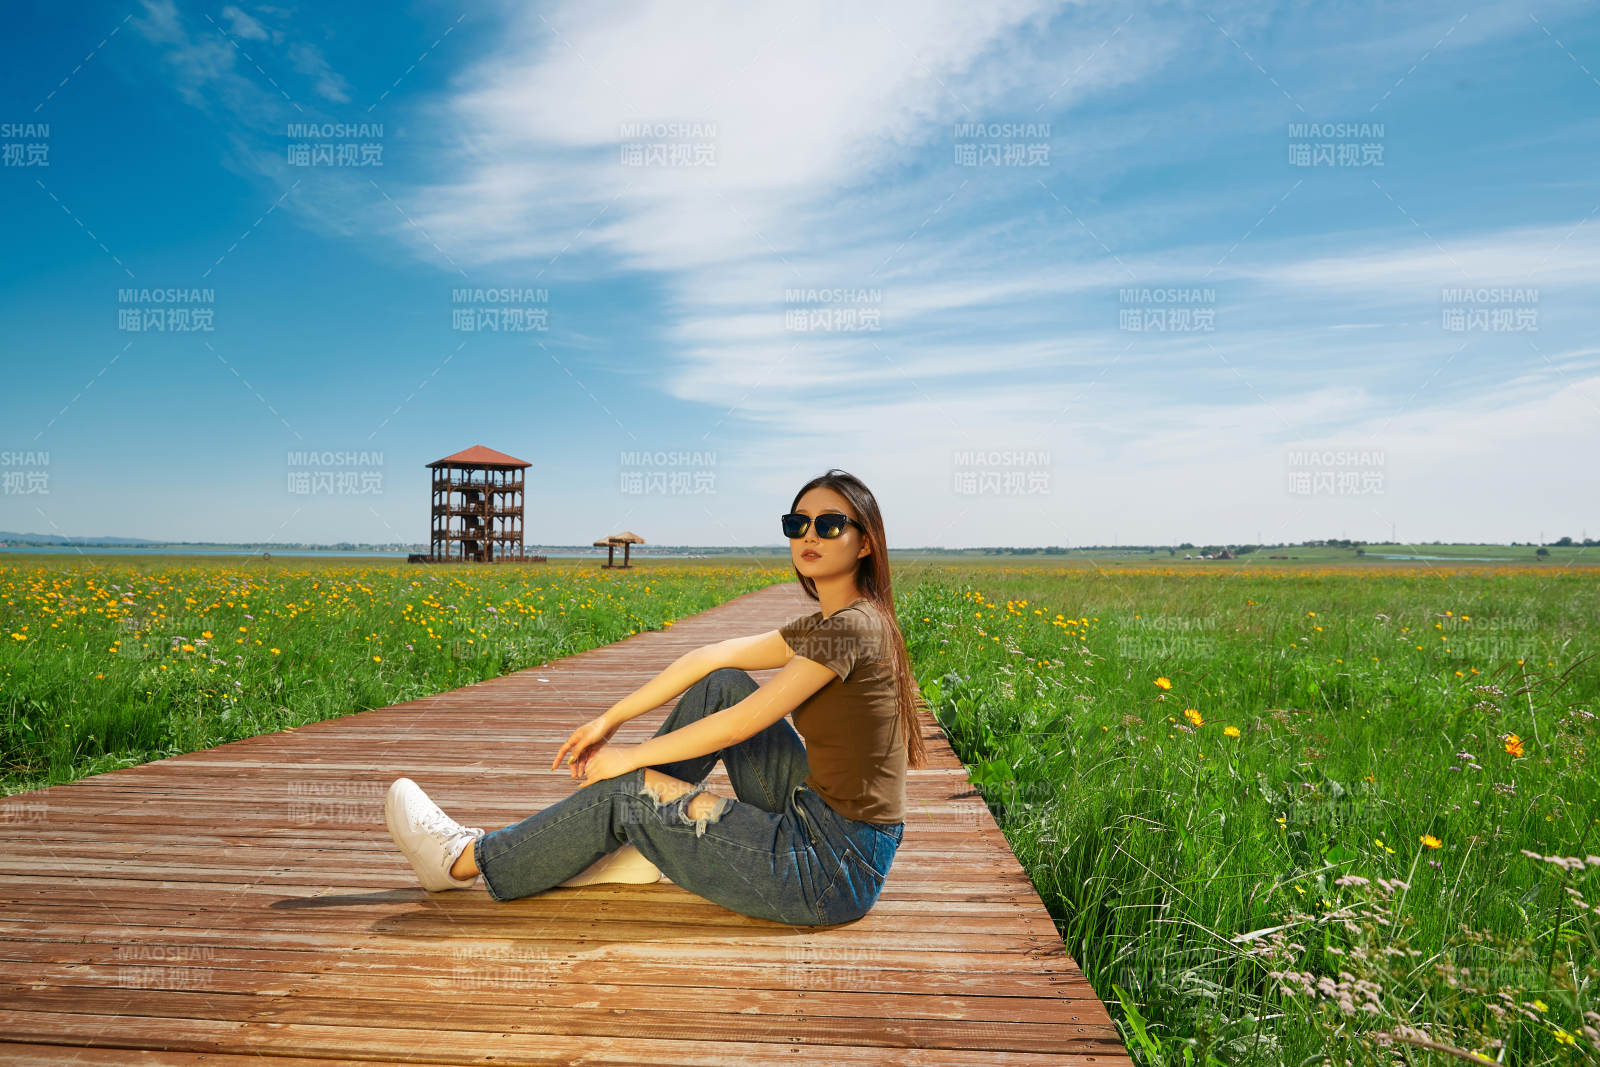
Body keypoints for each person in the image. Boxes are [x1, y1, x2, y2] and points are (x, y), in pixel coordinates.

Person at [384, 468, 929, 926]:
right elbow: (711, 657)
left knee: (630, 792)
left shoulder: (851, 629)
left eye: (830, 524)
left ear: (865, 542)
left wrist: (632, 759)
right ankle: (627, 845)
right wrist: (611, 719)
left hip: (827, 869)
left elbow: (744, 723)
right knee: (721, 685)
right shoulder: (830, 623)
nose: (810, 535)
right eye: (797, 523)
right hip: (820, 818)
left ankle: (461, 860)